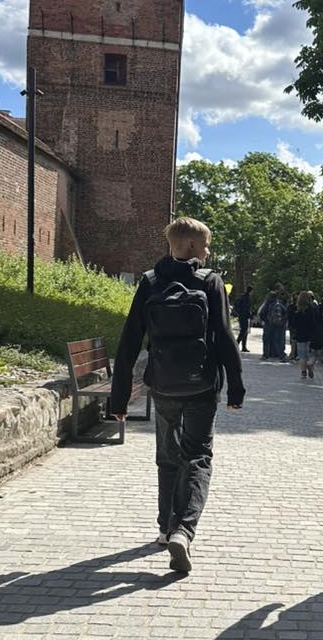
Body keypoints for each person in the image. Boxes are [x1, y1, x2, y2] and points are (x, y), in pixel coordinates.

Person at [111, 216, 244, 573]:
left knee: (167, 456)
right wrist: (236, 387)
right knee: (198, 455)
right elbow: (225, 337)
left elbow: (129, 340)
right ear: (191, 246)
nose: (208, 251)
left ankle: (164, 527)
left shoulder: (151, 282)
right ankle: (183, 530)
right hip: (202, 385)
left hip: (163, 385)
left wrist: (119, 398)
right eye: (206, 245)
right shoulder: (210, 281)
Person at [292, 291, 321, 381]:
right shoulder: (312, 309)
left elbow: (294, 324)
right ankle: (310, 364)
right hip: (310, 336)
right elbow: (316, 322)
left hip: (300, 335)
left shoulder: (297, 310)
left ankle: (303, 372)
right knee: (312, 354)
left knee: (302, 355)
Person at [259, 286, 289, 360]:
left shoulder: (267, 304)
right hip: (278, 325)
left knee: (266, 340)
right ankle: (281, 355)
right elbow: (286, 313)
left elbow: (261, 313)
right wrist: (282, 322)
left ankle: (265, 355)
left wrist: (266, 320)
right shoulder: (279, 304)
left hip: (268, 325)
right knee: (278, 340)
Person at [235, 286, 253, 352]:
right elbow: (246, 308)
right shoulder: (247, 298)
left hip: (241, 315)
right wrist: (250, 315)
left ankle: (243, 346)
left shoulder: (242, 296)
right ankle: (237, 344)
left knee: (244, 331)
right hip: (244, 316)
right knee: (244, 331)